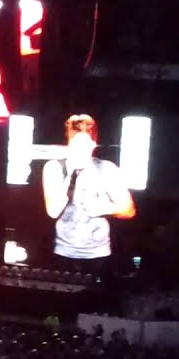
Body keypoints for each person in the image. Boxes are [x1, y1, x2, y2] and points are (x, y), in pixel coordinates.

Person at [42, 114, 135, 274]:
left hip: (99, 254)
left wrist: (105, 208)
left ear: (93, 144)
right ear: (68, 144)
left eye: (84, 145)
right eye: (76, 145)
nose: (80, 150)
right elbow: (53, 211)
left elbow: (129, 211)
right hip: (63, 252)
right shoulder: (54, 168)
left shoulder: (106, 169)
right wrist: (69, 176)